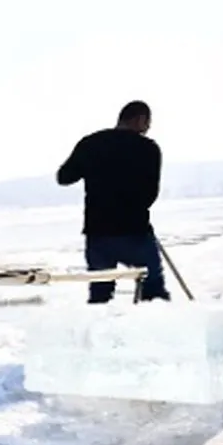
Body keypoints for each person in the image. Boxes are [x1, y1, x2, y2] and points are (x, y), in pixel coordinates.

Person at [56, 100, 170, 303]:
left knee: (100, 293)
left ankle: (98, 333)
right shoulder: (148, 149)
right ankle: (154, 331)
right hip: (135, 232)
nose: (148, 128)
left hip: (98, 233)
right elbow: (149, 196)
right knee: (153, 291)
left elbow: (64, 177)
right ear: (140, 119)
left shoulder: (90, 143)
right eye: (148, 123)